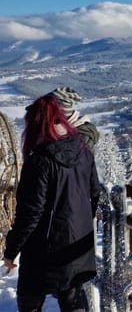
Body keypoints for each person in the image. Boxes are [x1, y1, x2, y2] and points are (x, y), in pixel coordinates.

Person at [3, 94, 100, 312]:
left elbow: (30, 213)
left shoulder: (39, 160)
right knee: (73, 297)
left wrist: (11, 251)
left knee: (30, 299)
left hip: (42, 250)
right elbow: (94, 193)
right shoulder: (83, 150)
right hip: (76, 244)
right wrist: (80, 222)